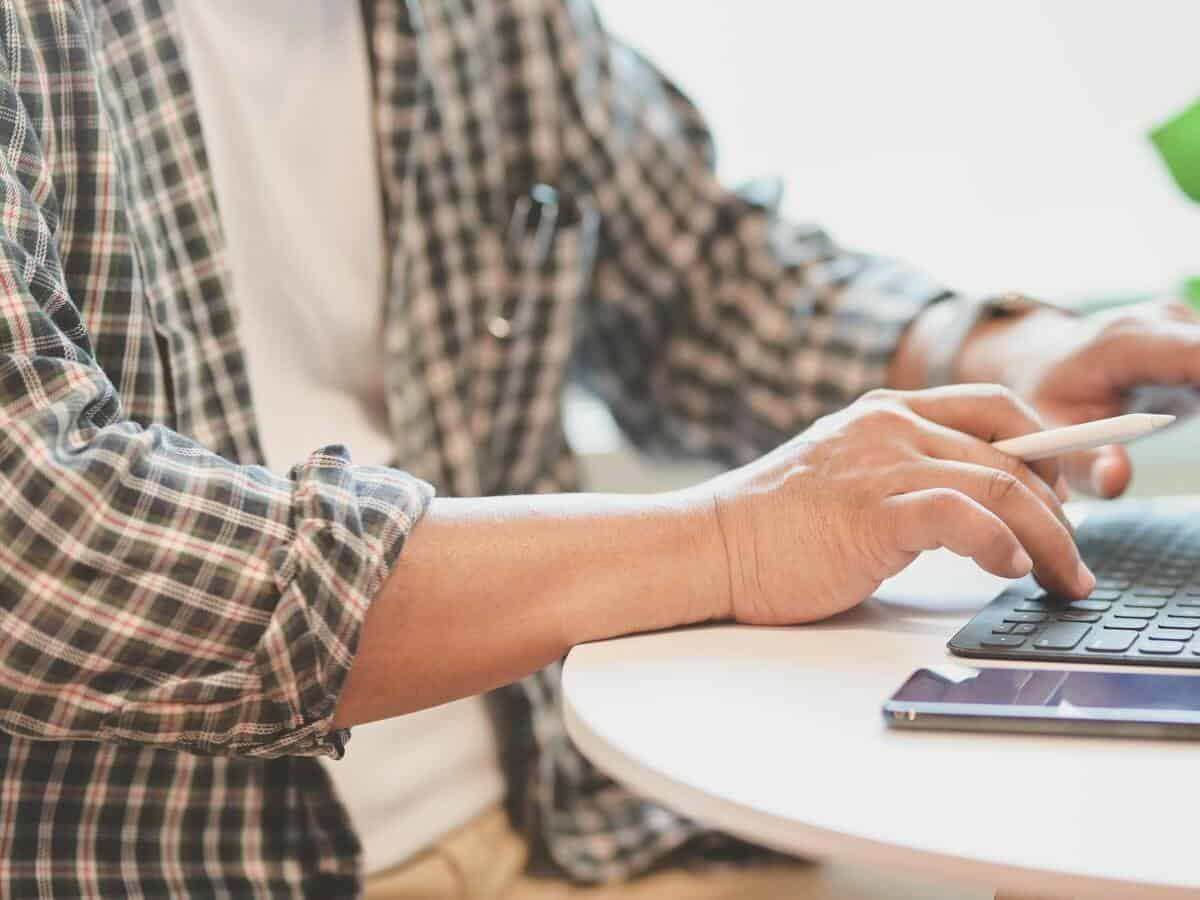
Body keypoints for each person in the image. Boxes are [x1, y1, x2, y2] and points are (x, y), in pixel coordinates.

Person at [2, 0, 1199, 897]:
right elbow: (47, 544)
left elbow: (696, 277)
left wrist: (995, 350)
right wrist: (731, 539)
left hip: (573, 825)